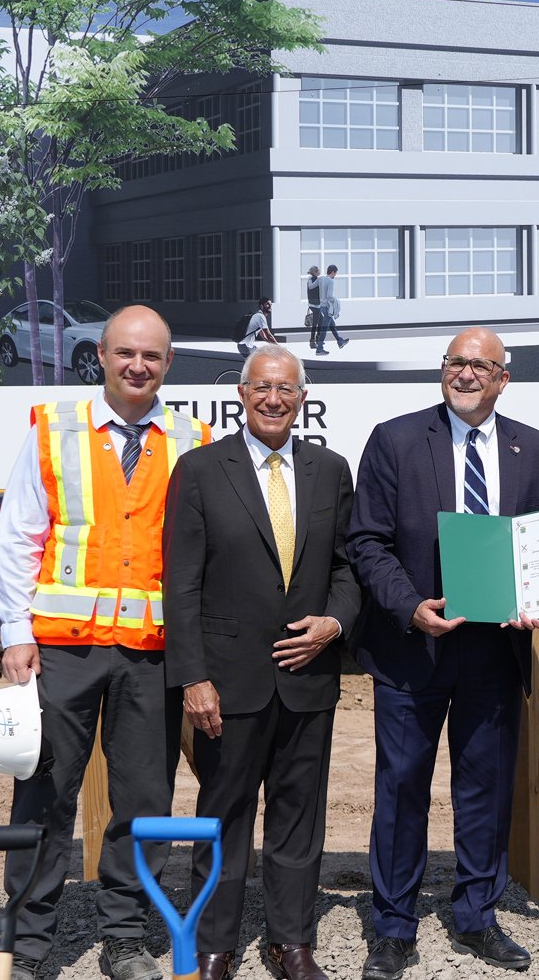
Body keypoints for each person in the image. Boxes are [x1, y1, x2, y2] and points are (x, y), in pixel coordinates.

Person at [0, 305, 211, 980]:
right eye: (125, 353)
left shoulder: (192, 439)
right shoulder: (54, 430)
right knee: (45, 793)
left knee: (143, 798)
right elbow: (22, 532)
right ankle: (27, 943)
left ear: (169, 362)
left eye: (151, 355)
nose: (137, 366)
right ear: (102, 356)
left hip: (152, 650)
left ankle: (125, 934)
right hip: (64, 648)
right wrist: (14, 630)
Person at [346, 328, 539, 980]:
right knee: (401, 786)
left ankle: (476, 913)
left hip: (495, 651)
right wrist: (410, 605)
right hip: (413, 646)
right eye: (455, 362)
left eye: (480, 365)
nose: (465, 373)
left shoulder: (538, 450)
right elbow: (367, 542)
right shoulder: (396, 439)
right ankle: (392, 925)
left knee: (486, 788)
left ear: (503, 379)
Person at [162, 344, 362, 980]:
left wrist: (334, 623)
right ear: (241, 396)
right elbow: (181, 584)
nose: (274, 399)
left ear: (303, 399)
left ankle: (291, 943)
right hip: (227, 681)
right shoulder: (198, 470)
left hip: (308, 680)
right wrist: (193, 676)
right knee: (223, 816)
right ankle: (216, 943)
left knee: (300, 820)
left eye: (286, 389)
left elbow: (347, 568)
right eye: (261, 388)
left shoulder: (330, 470)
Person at [322, 265, 348, 350]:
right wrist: (336, 300)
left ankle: (340, 342)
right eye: (335, 273)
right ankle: (319, 346)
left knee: (332, 325)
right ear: (333, 272)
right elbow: (329, 296)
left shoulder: (322, 280)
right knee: (325, 328)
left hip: (321, 306)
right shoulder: (330, 281)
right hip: (327, 308)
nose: (335, 275)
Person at [305, 265, 324, 351]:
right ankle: (313, 341)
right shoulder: (312, 280)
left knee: (320, 320)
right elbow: (311, 287)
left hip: (316, 304)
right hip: (314, 304)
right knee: (315, 323)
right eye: (317, 271)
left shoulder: (314, 279)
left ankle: (318, 338)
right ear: (315, 272)